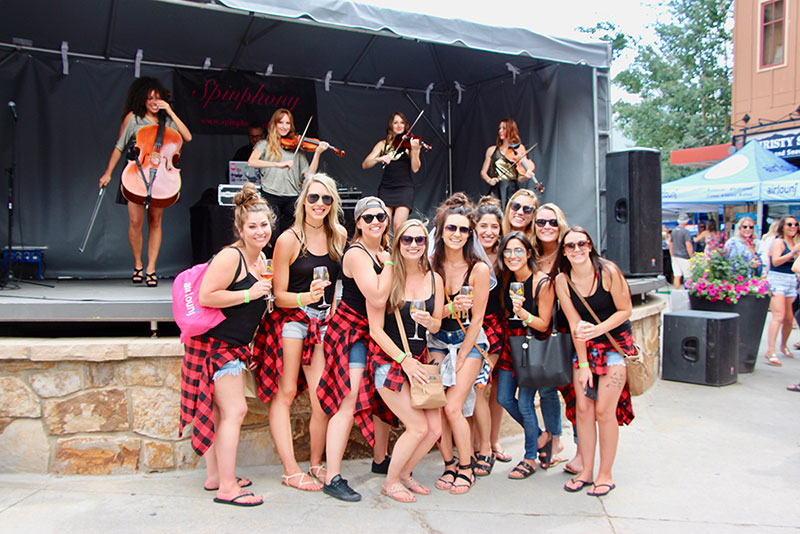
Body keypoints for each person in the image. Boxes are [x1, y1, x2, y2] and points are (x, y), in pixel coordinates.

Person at [178, 182, 273, 507]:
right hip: (215, 347)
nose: (260, 231)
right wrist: (249, 294)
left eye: (264, 225)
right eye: (253, 226)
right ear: (240, 229)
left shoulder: (261, 261)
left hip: (232, 345)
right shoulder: (230, 256)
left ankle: (216, 476)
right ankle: (229, 488)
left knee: (220, 413)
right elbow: (207, 295)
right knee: (236, 410)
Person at [251, 173, 346, 491]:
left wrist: (332, 306)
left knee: (322, 400)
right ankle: (291, 470)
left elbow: (340, 283)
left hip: (322, 324)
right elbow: (278, 296)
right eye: (314, 197)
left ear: (333, 204)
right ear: (303, 200)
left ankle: (316, 464)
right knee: (287, 392)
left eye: (326, 199)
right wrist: (308, 297)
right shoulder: (289, 240)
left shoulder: (338, 236)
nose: (319, 204)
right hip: (292, 319)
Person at [316, 196, 394, 502]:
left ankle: (380, 458)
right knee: (347, 403)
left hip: (373, 334)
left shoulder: (381, 252)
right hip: (350, 335)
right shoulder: (359, 254)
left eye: (381, 216)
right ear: (358, 222)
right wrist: (389, 262)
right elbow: (376, 297)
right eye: (369, 217)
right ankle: (332, 476)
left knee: (381, 397)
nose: (376, 221)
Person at [368, 219, 445, 503]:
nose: (413, 245)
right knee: (418, 427)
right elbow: (375, 329)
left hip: (421, 362)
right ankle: (390, 482)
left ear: (426, 244)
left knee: (434, 428)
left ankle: (404, 473)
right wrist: (403, 359)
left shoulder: (435, 278)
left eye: (419, 240)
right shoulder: (385, 277)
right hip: (389, 361)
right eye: (407, 240)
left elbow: (437, 325)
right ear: (398, 243)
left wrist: (431, 322)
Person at [553, 227, 634, 497]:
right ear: (563, 251)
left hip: (614, 345)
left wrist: (598, 331)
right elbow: (576, 324)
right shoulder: (563, 280)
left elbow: (625, 310)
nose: (576, 249)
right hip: (585, 348)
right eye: (570, 246)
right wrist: (584, 363)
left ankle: (605, 474)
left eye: (581, 244)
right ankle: (587, 471)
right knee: (583, 411)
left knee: (603, 412)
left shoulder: (608, 272)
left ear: (590, 246)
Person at [98, 77, 192, 287]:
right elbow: (119, 146)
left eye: (157, 97)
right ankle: (138, 264)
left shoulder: (167, 122)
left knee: (156, 222)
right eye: (149, 98)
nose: (154, 101)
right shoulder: (134, 118)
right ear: (142, 99)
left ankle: (151, 269)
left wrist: (170, 111)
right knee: (135, 222)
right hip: (137, 173)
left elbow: (186, 137)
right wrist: (108, 173)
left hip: (160, 176)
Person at [429, 194, 491, 495]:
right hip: (439, 340)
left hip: (470, 340)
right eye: (451, 228)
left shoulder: (478, 269)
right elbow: (428, 316)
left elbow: (478, 319)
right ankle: (449, 464)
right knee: (439, 407)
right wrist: (451, 309)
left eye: (464, 230)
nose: (457, 234)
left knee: (454, 406)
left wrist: (464, 356)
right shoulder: (431, 265)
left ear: (470, 234)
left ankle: (466, 468)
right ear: (441, 231)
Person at [496, 232, 555, 480]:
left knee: (524, 403)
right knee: (503, 398)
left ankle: (530, 457)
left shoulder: (543, 283)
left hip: (533, 349)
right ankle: (541, 435)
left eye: (518, 250)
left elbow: (543, 324)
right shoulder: (506, 280)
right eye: (508, 251)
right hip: (511, 347)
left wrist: (523, 314)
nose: (512, 256)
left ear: (529, 253)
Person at [471, 197, 511, 472]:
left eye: (494, 227)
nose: (488, 231)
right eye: (483, 225)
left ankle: (486, 446)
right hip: (465, 330)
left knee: (481, 387)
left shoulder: (505, 258)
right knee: (473, 390)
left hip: (493, 330)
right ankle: (476, 446)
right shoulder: (467, 256)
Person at [530, 203, 570, 469]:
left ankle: (576, 447)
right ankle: (554, 439)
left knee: (577, 392)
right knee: (546, 389)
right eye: (541, 222)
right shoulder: (531, 255)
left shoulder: (570, 251)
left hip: (570, 328)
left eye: (552, 222)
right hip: (542, 328)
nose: (546, 227)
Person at [248, 108, 329, 240]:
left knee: (298, 230)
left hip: (292, 196)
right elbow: (252, 162)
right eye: (281, 123)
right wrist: (277, 164)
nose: (284, 126)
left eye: (288, 123)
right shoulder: (264, 144)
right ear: (274, 124)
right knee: (273, 231)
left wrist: (317, 153)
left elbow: (309, 175)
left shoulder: (297, 148)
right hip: (271, 194)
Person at [362, 112, 422, 233]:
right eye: (395, 123)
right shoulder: (383, 144)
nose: (399, 125)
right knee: (383, 223)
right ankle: (385, 251)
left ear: (405, 125)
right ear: (391, 126)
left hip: (404, 187)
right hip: (387, 187)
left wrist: (415, 151)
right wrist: (379, 158)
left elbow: (415, 168)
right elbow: (365, 164)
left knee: (398, 225)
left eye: (402, 122)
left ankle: (398, 252)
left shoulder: (410, 144)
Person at [763, 216, 800, 366]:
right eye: (789, 224)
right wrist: (792, 253)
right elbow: (775, 261)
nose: (793, 227)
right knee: (778, 315)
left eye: (796, 224)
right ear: (782, 227)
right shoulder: (779, 242)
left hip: (792, 280)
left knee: (789, 318)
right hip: (777, 279)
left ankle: (783, 345)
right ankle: (770, 350)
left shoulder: (796, 242)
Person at [480, 118, 536, 208]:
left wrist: (526, 176)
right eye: (500, 128)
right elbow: (483, 172)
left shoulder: (519, 150)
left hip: (512, 189)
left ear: (511, 130)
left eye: (504, 128)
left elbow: (520, 178)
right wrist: (490, 180)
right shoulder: (491, 150)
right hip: (497, 188)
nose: (500, 131)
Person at [670, 213, 693, 289]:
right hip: (684, 256)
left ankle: (676, 292)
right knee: (688, 276)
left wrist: (672, 254)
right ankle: (688, 292)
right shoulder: (686, 232)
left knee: (677, 275)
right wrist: (691, 256)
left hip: (675, 256)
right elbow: (688, 244)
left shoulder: (673, 231)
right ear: (687, 221)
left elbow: (671, 244)